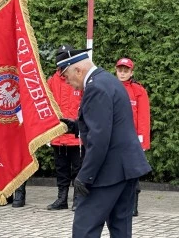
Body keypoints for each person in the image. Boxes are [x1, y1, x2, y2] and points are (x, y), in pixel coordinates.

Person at [56, 45, 152, 238]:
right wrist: (76, 126)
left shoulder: (95, 88)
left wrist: (86, 176)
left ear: (78, 69)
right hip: (126, 168)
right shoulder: (107, 79)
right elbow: (111, 124)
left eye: (66, 76)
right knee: (120, 229)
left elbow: (100, 139)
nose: (67, 83)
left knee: (85, 228)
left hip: (109, 171)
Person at [115, 57, 151, 216]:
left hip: (132, 140)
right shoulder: (112, 87)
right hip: (116, 139)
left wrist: (141, 140)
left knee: (132, 173)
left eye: (126, 71)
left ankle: (133, 206)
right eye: (120, 70)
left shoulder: (138, 90)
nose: (122, 73)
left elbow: (143, 117)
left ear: (131, 72)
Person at [47, 63, 84, 211]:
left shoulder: (78, 79)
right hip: (58, 135)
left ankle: (77, 199)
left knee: (78, 170)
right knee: (61, 170)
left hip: (76, 137)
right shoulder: (52, 81)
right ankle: (62, 199)